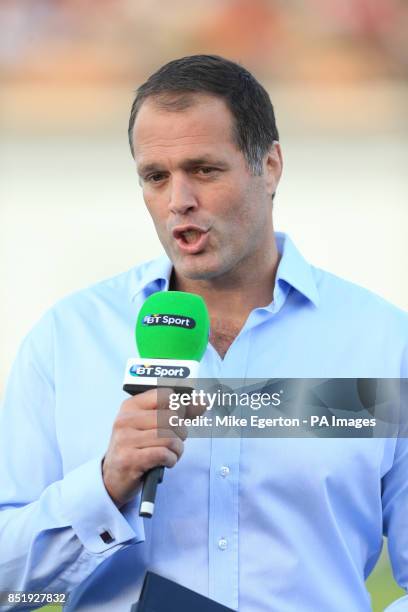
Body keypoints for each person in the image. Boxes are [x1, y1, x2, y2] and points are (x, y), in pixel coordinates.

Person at [0, 55, 407, 612]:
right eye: (156, 176)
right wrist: (105, 483)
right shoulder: (67, 339)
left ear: (270, 166)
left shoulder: (382, 343)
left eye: (205, 169)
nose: (178, 200)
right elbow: (8, 588)